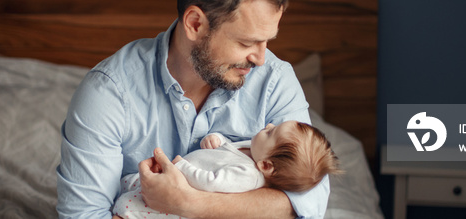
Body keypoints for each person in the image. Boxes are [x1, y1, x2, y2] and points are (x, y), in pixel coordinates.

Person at [56, 0, 332, 218]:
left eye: (267, 40)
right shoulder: (109, 93)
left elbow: (309, 200)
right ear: (195, 24)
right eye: (247, 42)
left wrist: (190, 204)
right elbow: (85, 215)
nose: (260, 59)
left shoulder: (275, 80)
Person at [112, 121, 341, 218]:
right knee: (128, 183)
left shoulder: (248, 176)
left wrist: (181, 166)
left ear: (266, 166)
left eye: (271, 133)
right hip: (170, 178)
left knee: (129, 206)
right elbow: (226, 148)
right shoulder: (252, 149)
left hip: (180, 190)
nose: (268, 125)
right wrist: (216, 139)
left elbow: (211, 182)